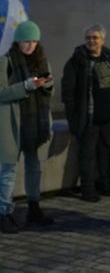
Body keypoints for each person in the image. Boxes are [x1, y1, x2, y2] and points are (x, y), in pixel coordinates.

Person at [61, 24, 110, 202]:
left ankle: (106, 185)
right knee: (87, 154)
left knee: (105, 152)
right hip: (89, 117)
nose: (91, 41)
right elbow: (68, 91)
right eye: (88, 38)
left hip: (108, 116)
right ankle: (88, 189)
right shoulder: (77, 61)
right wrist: (72, 118)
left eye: (95, 38)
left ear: (102, 40)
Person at [0, 21, 53, 233]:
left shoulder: (41, 61)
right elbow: (1, 92)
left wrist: (47, 84)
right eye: (25, 41)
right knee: (8, 170)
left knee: (34, 167)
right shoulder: (5, 61)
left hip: (35, 124)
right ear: (17, 41)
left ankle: (34, 207)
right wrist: (27, 86)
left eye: (33, 41)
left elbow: (49, 89)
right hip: (13, 123)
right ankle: (4, 213)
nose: (29, 45)